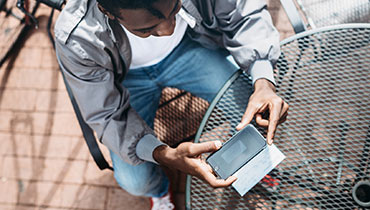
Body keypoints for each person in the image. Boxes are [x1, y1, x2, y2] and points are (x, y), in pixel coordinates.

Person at [54, 0, 289, 209]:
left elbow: (242, 13)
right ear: (105, 9)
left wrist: (263, 82)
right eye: (146, 29)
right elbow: (106, 115)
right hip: (127, 80)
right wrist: (162, 154)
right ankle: (158, 191)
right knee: (135, 182)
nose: (168, 29)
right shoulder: (77, 37)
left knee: (258, 114)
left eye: (175, 7)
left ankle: (245, 160)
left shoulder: (174, 31)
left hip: (189, 47)